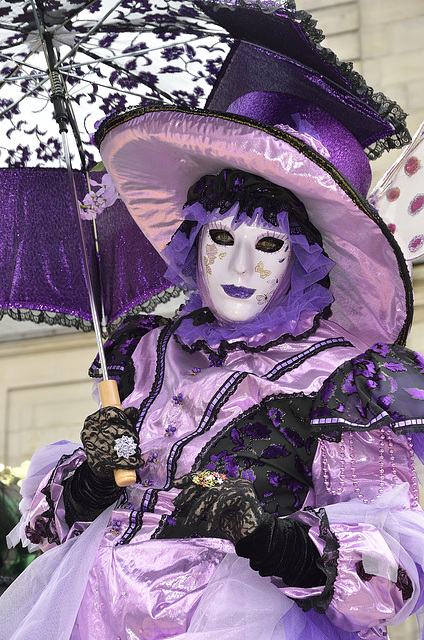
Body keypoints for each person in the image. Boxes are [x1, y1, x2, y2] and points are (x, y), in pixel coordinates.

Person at [1, 2, 424, 639]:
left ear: (305, 260)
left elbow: (389, 580)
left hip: (239, 617)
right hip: (89, 608)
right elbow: (50, 526)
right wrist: (95, 475)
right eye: (221, 238)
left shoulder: (344, 380)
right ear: (192, 245)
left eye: (270, 245)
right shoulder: (147, 352)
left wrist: (266, 535)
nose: (239, 265)